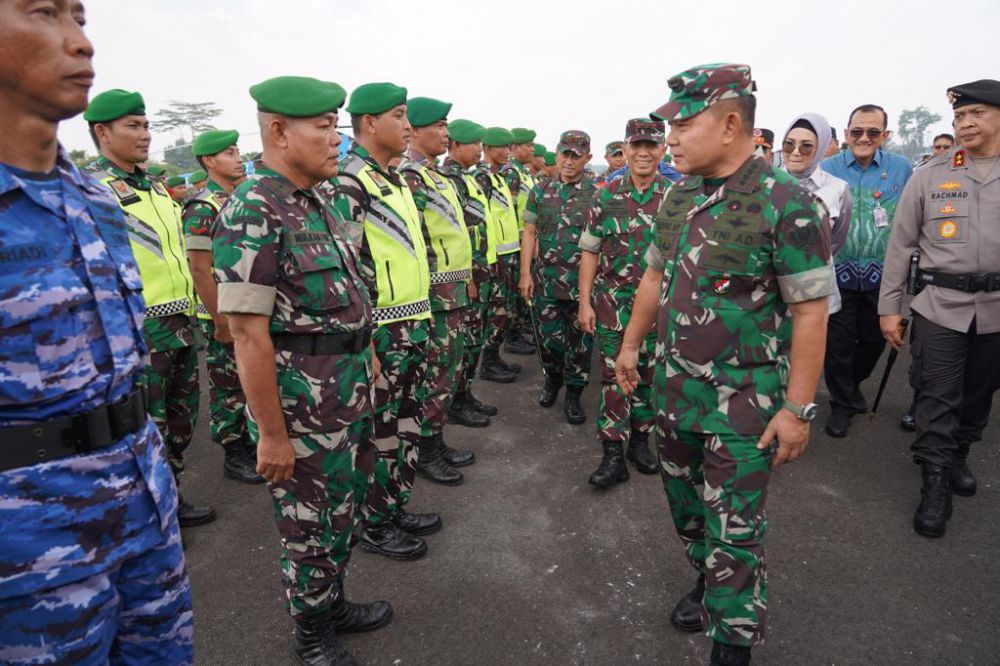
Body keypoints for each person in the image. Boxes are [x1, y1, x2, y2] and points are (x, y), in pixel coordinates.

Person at [616, 63, 833, 666]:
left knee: (735, 531)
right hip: (674, 395)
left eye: (683, 124)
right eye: (668, 127)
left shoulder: (788, 203)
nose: (671, 139)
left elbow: (812, 314)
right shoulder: (678, 193)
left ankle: (732, 641)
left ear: (731, 124)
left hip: (744, 405)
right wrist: (631, 345)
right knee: (687, 512)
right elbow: (655, 276)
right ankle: (706, 579)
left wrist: (797, 409)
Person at [0, 1, 193, 660]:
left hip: (143, 514)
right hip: (28, 559)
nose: (80, 43)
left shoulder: (95, 200)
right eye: (45, 13)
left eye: (81, 18)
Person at [214, 75, 388, 665]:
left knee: (346, 508)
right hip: (301, 405)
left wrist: (368, 360)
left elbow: (346, 296)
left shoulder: (317, 199)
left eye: (337, 125)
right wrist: (269, 432)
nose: (336, 138)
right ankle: (311, 632)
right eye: (323, 127)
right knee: (308, 525)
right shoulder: (252, 209)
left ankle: (331, 602)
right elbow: (245, 332)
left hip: (346, 393)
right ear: (280, 132)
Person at [84, 89, 215, 526]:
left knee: (180, 420)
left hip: (178, 321)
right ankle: (150, 510)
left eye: (145, 125)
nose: (144, 135)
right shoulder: (95, 190)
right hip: (140, 327)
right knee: (146, 425)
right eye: (132, 127)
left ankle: (171, 494)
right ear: (102, 133)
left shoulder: (155, 187)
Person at [879, 79, 1000, 539]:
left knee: (980, 393)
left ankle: (959, 456)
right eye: (959, 117)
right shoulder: (931, 174)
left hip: (996, 309)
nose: (965, 124)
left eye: (977, 115)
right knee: (937, 395)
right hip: (940, 306)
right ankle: (934, 481)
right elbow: (900, 245)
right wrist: (890, 308)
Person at [339, 82, 444, 561]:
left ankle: (394, 503)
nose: (407, 126)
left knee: (406, 422)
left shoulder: (393, 178)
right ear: (368, 123)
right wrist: (367, 342)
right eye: (399, 116)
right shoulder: (350, 182)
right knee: (380, 431)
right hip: (381, 329)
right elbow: (345, 269)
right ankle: (375, 522)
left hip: (412, 322)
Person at [578, 118, 668, 488]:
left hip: (659, 308)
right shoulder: (605, 195)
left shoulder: (676, 199)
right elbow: (589, 252)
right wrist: (584, 303)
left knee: (648, 375)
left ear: (662, 150)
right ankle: (612, 452)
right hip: (613, 303)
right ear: (626, 150)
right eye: (636, 146)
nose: (643, 153)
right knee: (615, 377)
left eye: (651, 146)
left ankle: (641, 442)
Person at [820, 104, 913, 438]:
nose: (864, 138)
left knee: (874, 342)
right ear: (846, 134)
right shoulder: (826, 168)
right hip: (837, 273)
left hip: (882, 277)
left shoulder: (901, 169)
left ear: (884, 136)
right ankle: (842, 404)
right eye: (857, 131)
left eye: (873, 132)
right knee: (839, 345)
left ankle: (851, 385)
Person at [399, 96, 480, 474]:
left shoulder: (434, 174)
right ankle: (426, 453)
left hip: (453, 292)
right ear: (413, 130)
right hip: (433, 296)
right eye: (439, 125)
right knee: (433, 375)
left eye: (447, 125)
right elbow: (411, 241)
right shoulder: (411, 176)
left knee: (447, 372)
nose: (446, 133)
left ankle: (436, 441)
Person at [182, 128, 261, 484]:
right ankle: (234, 451)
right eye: (229, 153)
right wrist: (220, 319)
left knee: (251, 380)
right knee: (229, 384)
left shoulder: (242, 199)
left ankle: (254, 443)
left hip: (248, 309)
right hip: (224, 313)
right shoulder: (203, 206)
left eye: (238, 151)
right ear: (210, 162)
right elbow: (199, 268)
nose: (239, 158)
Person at [520, 130, 598, 425]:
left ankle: (575, 394)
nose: (568, 160)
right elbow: (529, 232)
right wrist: (525, 273)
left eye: (576, 156)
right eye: (564, 154)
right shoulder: (540, 190)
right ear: (556, 153)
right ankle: (552, 380)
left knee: (581, 345)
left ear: (587, 158)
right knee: (549, 341)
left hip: (582, 285)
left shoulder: (596, 194)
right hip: (547, 282)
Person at [440, 119, 501, 424]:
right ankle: (456, 402)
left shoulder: (465, 177)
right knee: (465, 343)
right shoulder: (451, 179)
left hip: (479, 271)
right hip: (469, 276)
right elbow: (456, 233)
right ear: (456, 145)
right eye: (474, 144)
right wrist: (467, 276)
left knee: (474, 339)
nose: (480, 150)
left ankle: (464, 394)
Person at [780, 113, 854, 313]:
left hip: (816, 293)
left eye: (806, 146)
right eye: (789, 144)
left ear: (820, 148)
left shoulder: (838, 189)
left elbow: (835, 240)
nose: (795, 152)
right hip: (771, 299)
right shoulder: (763, 185)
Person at [475, 127, 524, 381]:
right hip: (494, 258)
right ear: (489, 149)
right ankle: (488, 362)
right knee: (496, 312)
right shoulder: (482, 178)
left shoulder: (496, 178)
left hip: (508, 254)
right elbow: (478, 220)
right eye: (503, 147)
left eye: (509, 147)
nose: (508, 152)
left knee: (505, 309)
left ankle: (494, 357)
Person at [503, 127, 538, 357]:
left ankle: (516, 332)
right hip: (515, 242)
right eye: (528, 145)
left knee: (519, 293)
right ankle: (511, 336)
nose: (532, 149)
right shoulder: (511, 173)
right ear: (514, 148)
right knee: (513, 293)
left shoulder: (523, 173)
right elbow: (510, 208)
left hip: (522, 241)